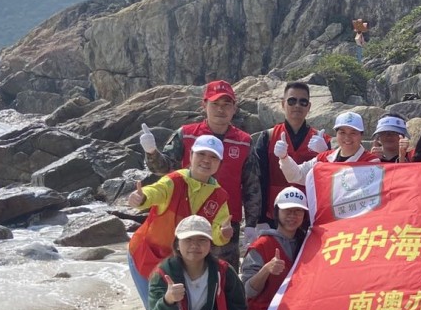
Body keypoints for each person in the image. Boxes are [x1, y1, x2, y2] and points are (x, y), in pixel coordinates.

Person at [122, 135, 233, 310]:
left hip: (176, 263)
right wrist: (141, 198)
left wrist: (224, 235)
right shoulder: (174, 181)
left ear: (220, 163)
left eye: (213, 157)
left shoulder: (219, 196)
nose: (206, 161)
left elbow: (217, 231)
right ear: (191, 156)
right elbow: (154, 192)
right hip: (146, 255)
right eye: (201, 155)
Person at [140, 80, 261, 268]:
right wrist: (151, 152)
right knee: (184, 274)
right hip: (186, 219)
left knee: (224, 275)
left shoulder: (245, 141)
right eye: (215, 104)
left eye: (226, 104)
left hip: (226, 222)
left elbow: (251, 185)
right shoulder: (186, 134)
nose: (221, 110)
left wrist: (252, 224)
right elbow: (163, 169)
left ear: (234, 108)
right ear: (204, 105)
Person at [251, 82, 331, 219]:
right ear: (283, 104)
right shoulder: (268, 137)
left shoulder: (322, 140)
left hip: (308, 213)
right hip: (274, 213)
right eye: (292, 101)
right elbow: (258, 179)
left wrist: (326, 154)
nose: (297, 106)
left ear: (309, 107)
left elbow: (330, 180)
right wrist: (259, 218)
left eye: (303, 102)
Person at [241, 186, 308, 310]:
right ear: (276, 212)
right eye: (287, 211)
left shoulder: (308, 243)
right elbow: (247, 292)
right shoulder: (261, 246)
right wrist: (266, 270)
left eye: (298, 211)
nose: (292, 216)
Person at [277, 111, 380, 180]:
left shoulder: (371, 162)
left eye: (353, 133)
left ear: (361, 135)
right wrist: (284, 158)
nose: (347, 137)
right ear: (336, 134)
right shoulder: (323, 158)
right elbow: (297, 175)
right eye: (342, 132)